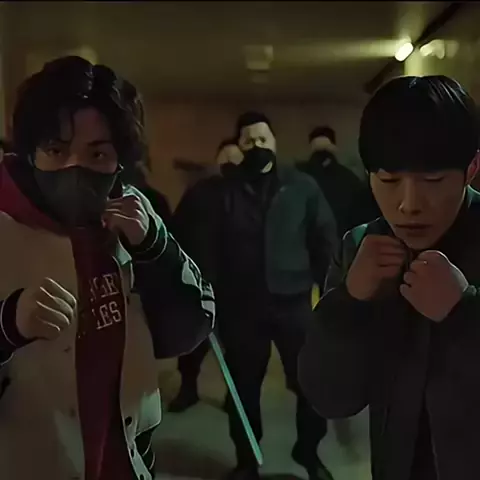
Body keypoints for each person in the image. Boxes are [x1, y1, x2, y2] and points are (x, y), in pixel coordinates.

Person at [0, 56, 215, 480]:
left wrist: (156, 250)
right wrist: (7, 326)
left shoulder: (133, 218)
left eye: (97, 153)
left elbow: (192, 326)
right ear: (30, 152)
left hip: (127, 462)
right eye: (56, 150)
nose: (73, 167)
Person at [299, 75, 480, 480]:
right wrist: (350, 302)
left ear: (471, 168)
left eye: (433, 181)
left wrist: (465, 311)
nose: (409, 205)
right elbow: (329, 397)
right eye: (389, 180)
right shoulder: (360, 247)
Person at [185, 111, 338, 480]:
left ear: (274, 142)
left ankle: (308, 450)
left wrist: (330, 292)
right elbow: (206, 245)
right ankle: (246, 460)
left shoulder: (301, 186)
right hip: (241, 306)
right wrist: (206, 292)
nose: (256, 145)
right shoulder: (222, 190)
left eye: (262, 139)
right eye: (249, 140)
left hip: (293, 302)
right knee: (243, 388)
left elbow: (323, 238)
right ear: (239, 146)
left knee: (310, 381)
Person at [168, 138, 243, 413]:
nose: (231, 163)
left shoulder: (249, 193)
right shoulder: (198, 192)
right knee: (193, 342)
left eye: (236, 158)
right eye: (226, 157)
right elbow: (176, 230)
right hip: (200, 280)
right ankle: (188, 389)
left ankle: (235, 396)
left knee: (237, 345)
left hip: (237, 284)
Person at [299, 126, 380, 237]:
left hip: (309, 241)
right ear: (333, 146)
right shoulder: (349, 178)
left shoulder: (298, 178)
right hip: (343, 241)